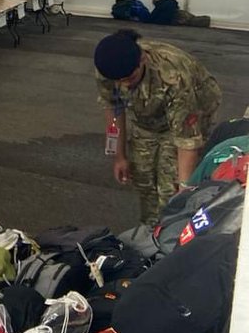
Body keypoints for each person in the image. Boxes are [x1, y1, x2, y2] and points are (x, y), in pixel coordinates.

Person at [94, 29, 223, 224]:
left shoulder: (173, 76)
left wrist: (185, 190)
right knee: (143, 177)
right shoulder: (109, 69)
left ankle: (171, 231)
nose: (125, 86)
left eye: (129, 79)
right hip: (147, 118)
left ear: (142, 60)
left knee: (170, 187)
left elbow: (187, 141)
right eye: (119, 81)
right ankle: (150, 228)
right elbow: (114, 111)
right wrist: (118, 156)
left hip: (192, 111)